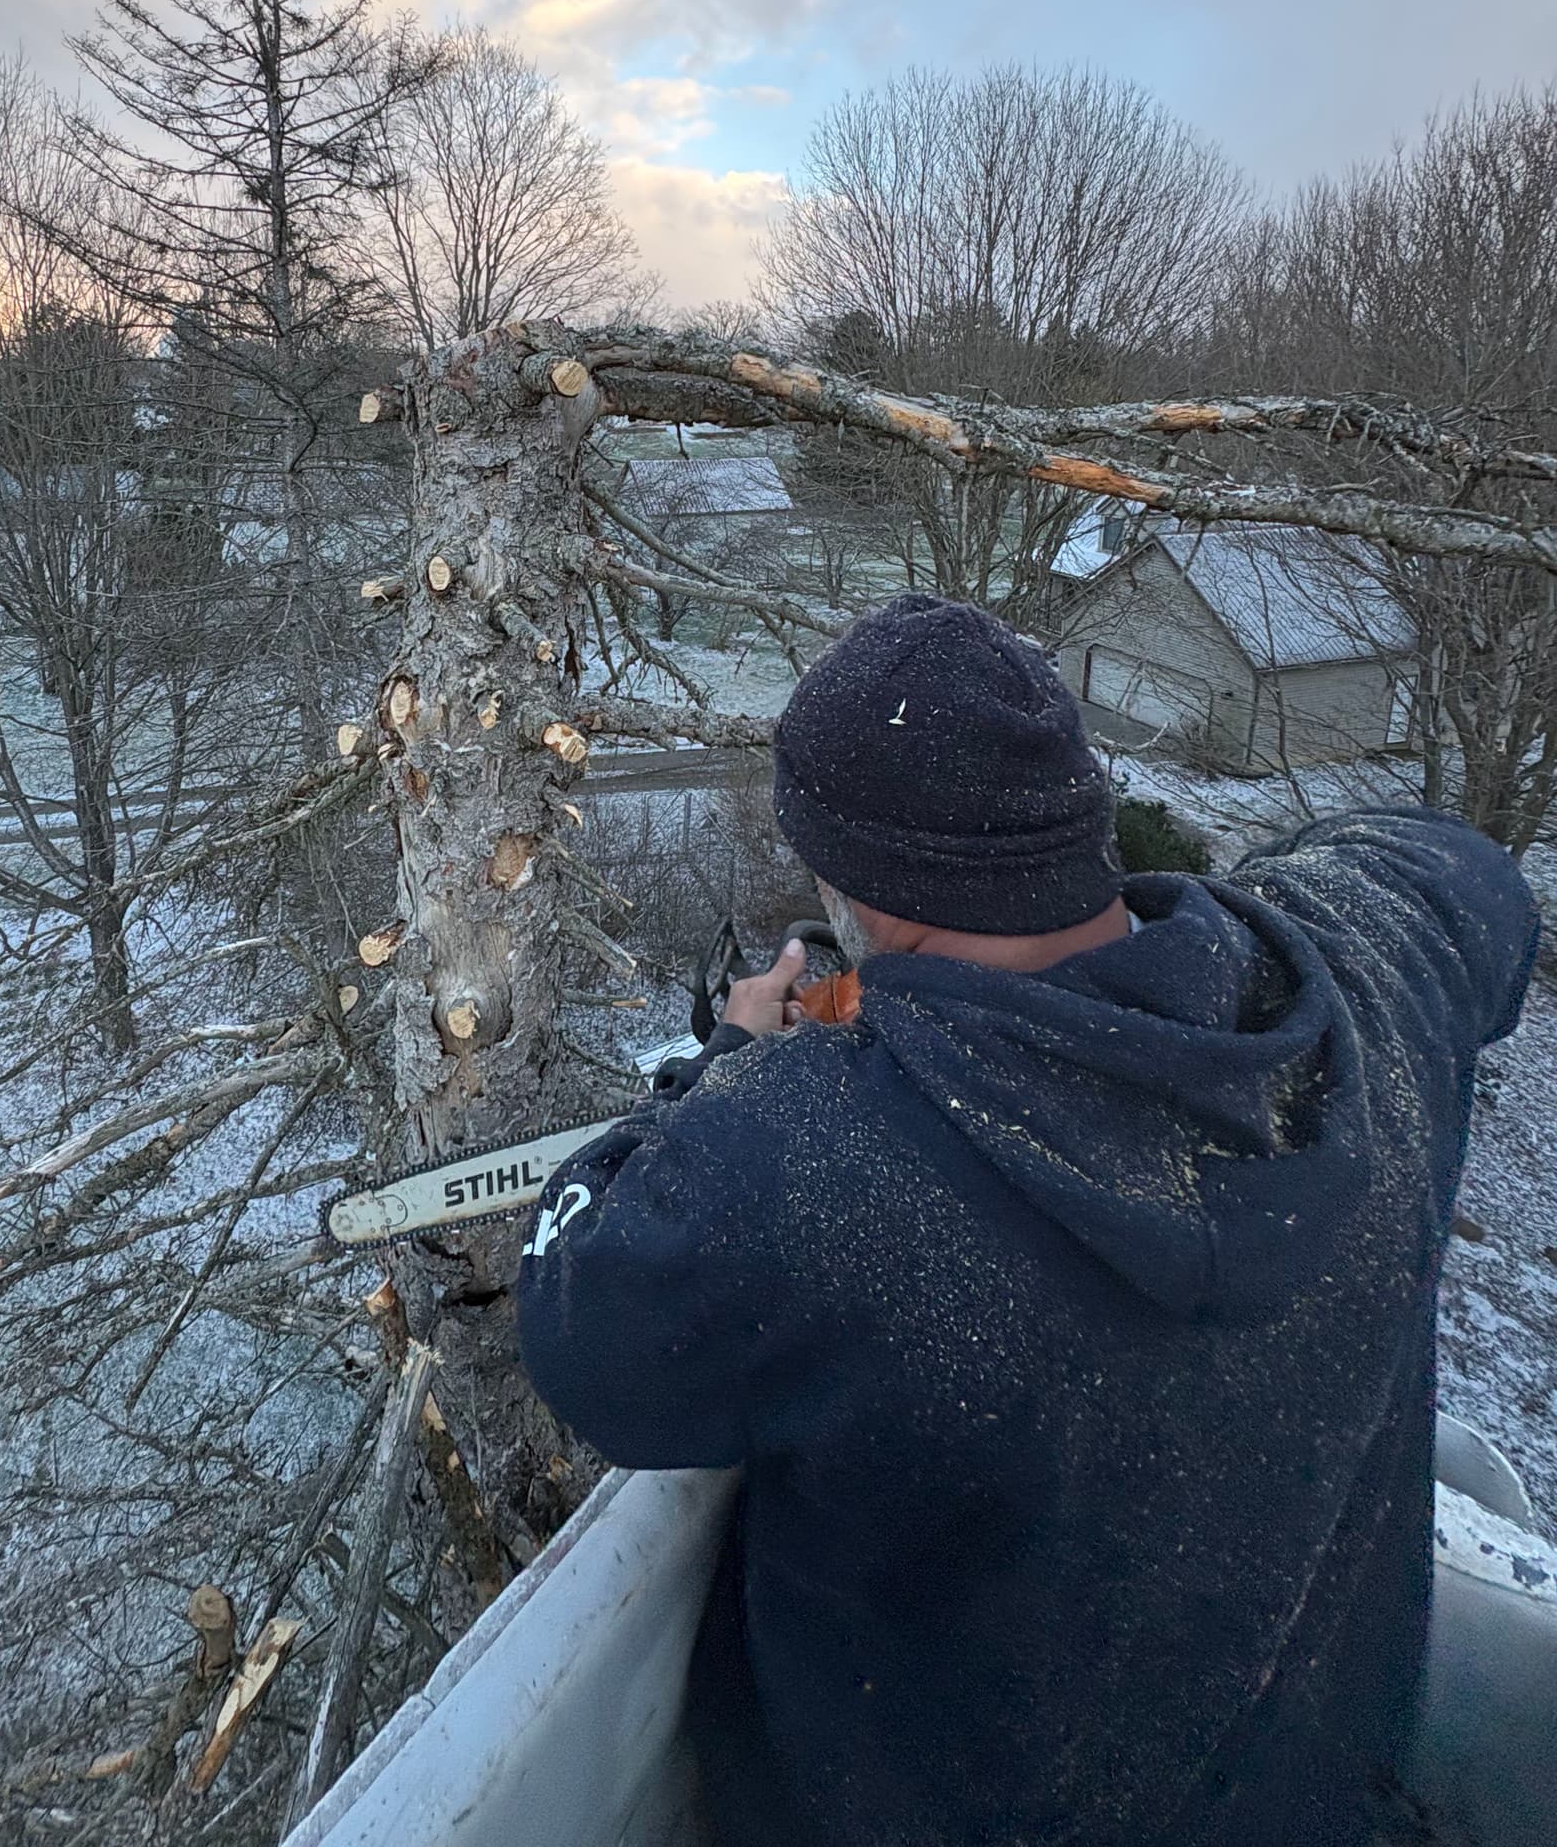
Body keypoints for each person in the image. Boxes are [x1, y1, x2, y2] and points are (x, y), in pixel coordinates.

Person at [516, 592, 1541, 1847]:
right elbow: (1465, 873)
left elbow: (579, 1316)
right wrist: (1223, 926)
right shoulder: (1367, 987)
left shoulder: (811, 1168)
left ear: (861, 892)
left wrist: (733, 1056)